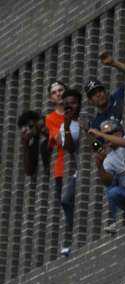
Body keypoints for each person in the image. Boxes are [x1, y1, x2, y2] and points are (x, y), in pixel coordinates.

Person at [89, 117, 125, 233]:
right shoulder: (108, 158)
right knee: (112, 191)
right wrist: (100, 165)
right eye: (104, 136)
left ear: (119, 133)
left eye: (109, 134)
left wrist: (100, 134)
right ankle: (118, 219)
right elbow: (107, 182)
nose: (106, 138)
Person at [57, 88, 83, 257]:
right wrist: (66, 126)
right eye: (66, 104)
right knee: (66, 199)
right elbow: (69, 148)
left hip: (99, 163)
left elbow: (96, 143)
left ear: (79, 104)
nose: (69, 107)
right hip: (80, 170)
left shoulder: (87, 118)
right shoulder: (65, 126)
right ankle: (72, 235)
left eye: (73, 103)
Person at [44, 81, 67, 217]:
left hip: (81, 160)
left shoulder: (75, 110)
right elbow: (59, 139)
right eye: (54, 92)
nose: (58, 94)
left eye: (60, 90)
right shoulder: (50, 118)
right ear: (51, 98)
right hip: (62, 167)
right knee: (65, 201)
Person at [17, 110, 49, 177]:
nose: (28, 131)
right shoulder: (33, 142)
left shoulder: (45, 123)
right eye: (25, 130)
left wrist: (41, 129)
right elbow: (28, 171)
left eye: (30, 126)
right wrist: (26, 145)